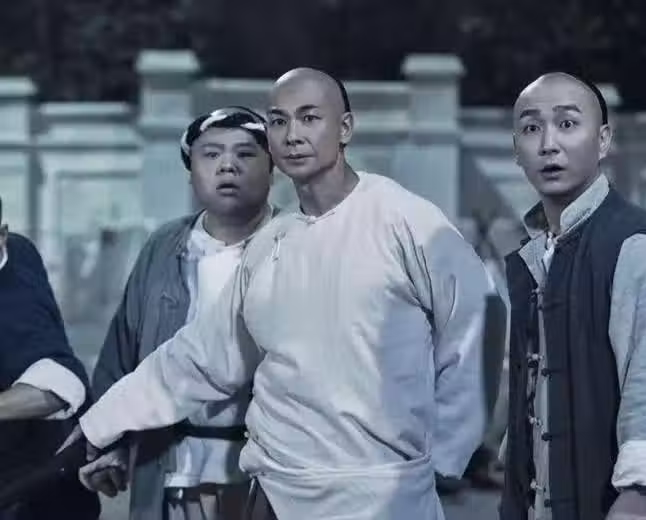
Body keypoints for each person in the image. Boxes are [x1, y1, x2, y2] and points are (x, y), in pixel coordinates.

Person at [70, 68, 496, 520]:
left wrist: (447, 453)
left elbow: (480, 321)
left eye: (309, 118)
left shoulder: (404, 219)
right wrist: (100, 423)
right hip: (275, 490)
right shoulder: (271, 243)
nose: (293, 135)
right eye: (278, 121)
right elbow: (201, 356)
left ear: (345, 128)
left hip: (382, 491)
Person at [499, 72, 646, 520]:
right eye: (531, 128)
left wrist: (639, 496)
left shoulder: (636, 246)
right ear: (516, 149)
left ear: (603, 140)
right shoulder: (536, 255)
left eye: (568, 124)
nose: (548, 144)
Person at [82, 106, 279, 520]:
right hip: (171, 464)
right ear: (191, 172)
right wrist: (112, 441)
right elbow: (123, 351)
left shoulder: (297, 245)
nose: (228, 165)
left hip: (271, 471)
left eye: (245, 154)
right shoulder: (164, 246)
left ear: (273, 169)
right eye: (211, 154)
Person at [0, 197, 100, 520]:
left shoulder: (14, 298)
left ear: (1, 236)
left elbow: (62, 383)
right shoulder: (19, 249)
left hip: (32, 493)